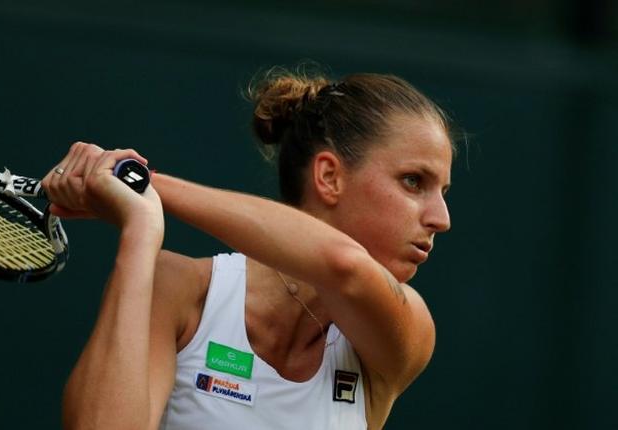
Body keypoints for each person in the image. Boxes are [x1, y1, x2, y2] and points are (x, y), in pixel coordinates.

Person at [41, 68, 455, 430]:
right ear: (329, 177)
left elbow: (341, 265)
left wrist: (138, 183)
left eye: (442, 190)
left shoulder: (407, 328)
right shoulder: (180, 290)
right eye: (414, 181)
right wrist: (140, 228)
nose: (441, 217)